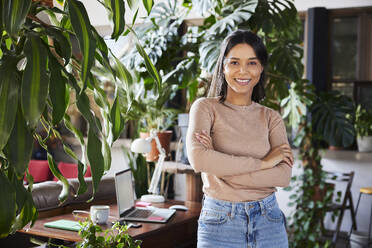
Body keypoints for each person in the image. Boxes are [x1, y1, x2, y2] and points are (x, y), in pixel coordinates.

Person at [186, 30, 294, 248]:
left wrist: (220, 166)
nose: (243, 71)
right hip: (220, 222)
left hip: (269, 222)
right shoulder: (206, 108)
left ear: (261, 68)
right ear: (223, 66)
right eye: (234, 62)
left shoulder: (271, 118)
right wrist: (264, 163)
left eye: (252, 63)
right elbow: (199, 161)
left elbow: (283, 176)